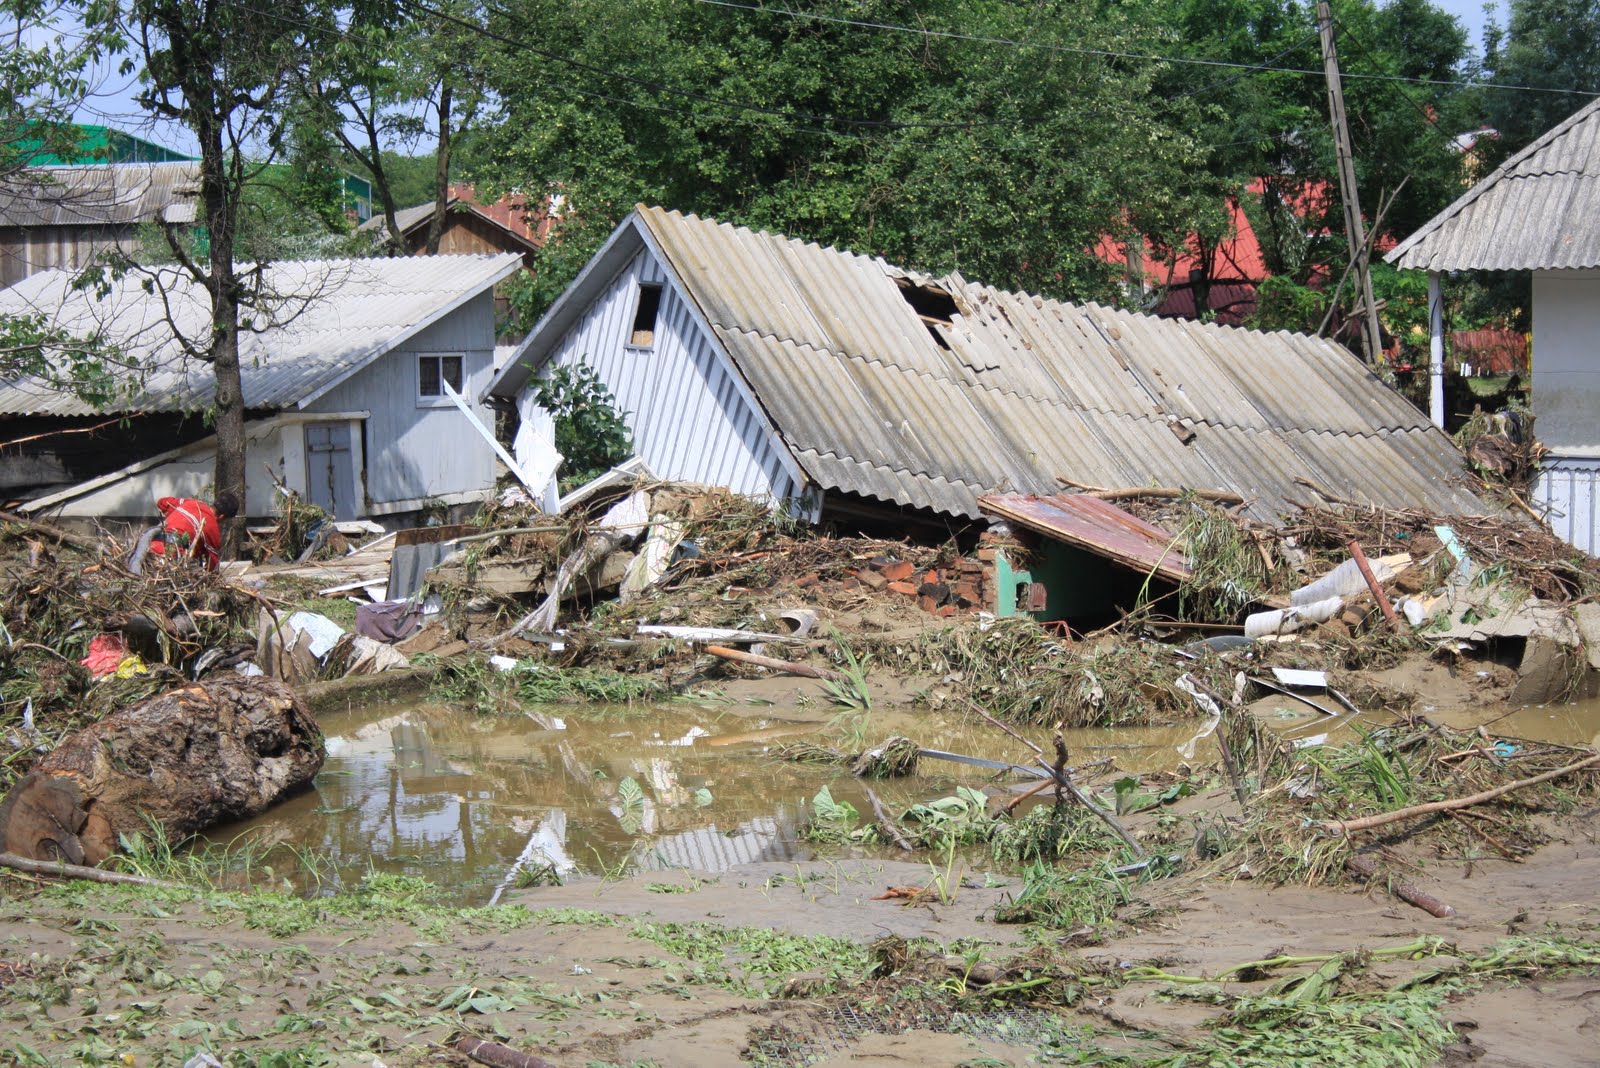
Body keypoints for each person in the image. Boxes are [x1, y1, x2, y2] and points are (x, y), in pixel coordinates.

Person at [148, 491, 238, 570]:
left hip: (150, 549)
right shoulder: (212, 527)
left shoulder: (189, 503)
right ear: (222, 517)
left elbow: (162, 502)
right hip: (172, 558)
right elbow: (212, 565)